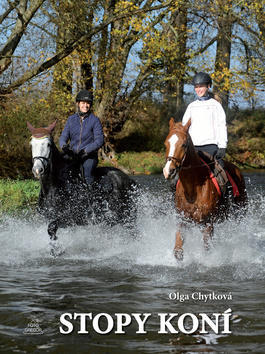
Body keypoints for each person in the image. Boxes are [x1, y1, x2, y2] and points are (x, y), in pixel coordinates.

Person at [182, 72, 227, 168]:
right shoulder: (191, 106)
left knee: (220, 169)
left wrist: (222, 146)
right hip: (193, 147)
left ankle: (227, 183)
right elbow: (184, 127)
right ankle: (173, 183)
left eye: (201, 86)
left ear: (208, 86)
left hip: (210, 146)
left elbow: (221, 126)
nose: (198, 89)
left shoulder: (216, 105)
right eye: (196, 87)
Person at [59, 89, 104, 185]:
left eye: (88, 103)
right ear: (78, 104)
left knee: (87, 173)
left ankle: (91, 197)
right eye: (83, 103)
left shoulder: (95, 120)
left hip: (88, 156)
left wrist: (86, 151)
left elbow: (99, 140)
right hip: (72, 154)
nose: (85, 106)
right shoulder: (71, 119)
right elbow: (63, 137)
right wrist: (64, 146)